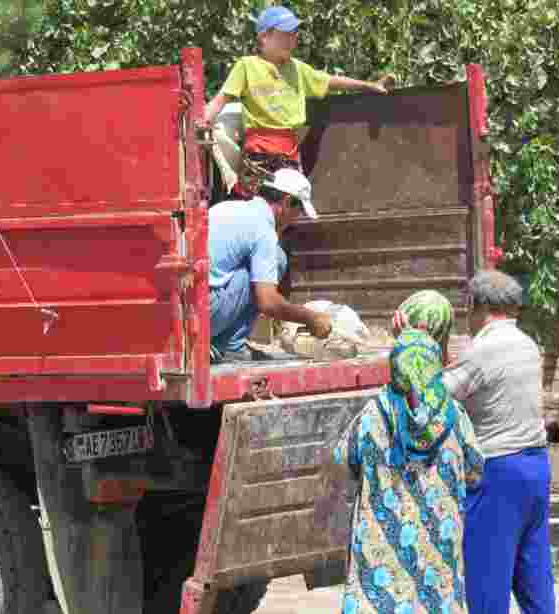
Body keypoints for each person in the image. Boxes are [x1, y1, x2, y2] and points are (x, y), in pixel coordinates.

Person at [333, 290, 484, 614]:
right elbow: (474, 472)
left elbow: (343, 463)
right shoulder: (456, 417)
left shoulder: (373, 414)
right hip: (437, 558)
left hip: (380, 559)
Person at [440, 270, 556, 614]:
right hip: (535, 469)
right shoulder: (528, 345)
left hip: (498, 473)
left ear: (475, 304)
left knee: (486, 585)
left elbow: (435, 397)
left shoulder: (483, 349)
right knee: (534, 579)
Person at [201, 5, 391, 196]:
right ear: (264, 37)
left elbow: (330, 81)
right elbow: (220, 100)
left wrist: (370, 85)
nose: (293, 39)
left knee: (289, 203)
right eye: (285, 34)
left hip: (289, 151)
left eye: (294, 34)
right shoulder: (247, 66)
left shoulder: (298, 69)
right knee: (256, 201)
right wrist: (202, 121)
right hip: (258, 150)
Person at [209, 167, 331, 363]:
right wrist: (310, 317)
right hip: (203, 312)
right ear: (286, 202)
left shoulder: (227, 207)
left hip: (187, 311)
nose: (296, 220)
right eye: (298, 211)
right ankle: (229, 346)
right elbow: (267, 302)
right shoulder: (262, 227)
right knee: (276, 259)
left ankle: (219, 344)